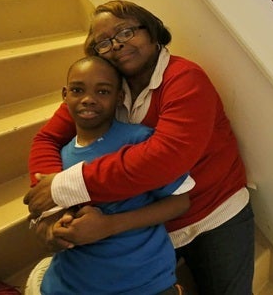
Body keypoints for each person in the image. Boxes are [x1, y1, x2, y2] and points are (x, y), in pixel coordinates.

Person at [24, 0, 255, 294]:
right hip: (147, 220)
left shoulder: (185, 79)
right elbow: (47, 139)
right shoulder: (104, 89)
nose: (117, 45)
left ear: (153, 32)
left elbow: (165, 159)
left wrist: (64, 187)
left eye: (125, 32)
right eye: (104, 43)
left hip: (211, 210)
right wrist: (51, 213)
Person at [28, 56, 194, 294]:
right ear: (65, 95)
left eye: (103, 91)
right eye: (77, 90)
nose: (88, 99)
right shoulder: (59, 157)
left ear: (119, 98)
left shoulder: (140, 140)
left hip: (143, 280)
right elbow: (42, 212)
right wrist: (57, 229)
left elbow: (180, 202)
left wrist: (109, 225)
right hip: (71, 281)